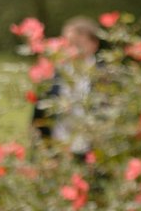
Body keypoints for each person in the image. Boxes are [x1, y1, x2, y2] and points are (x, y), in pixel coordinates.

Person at [32, 16, 102, 150]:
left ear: (94, 44)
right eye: (69, 44)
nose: (72, 49)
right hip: (57, 147)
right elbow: (38, 116)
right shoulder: (52, 72)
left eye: (78, 45)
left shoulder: (105, 75)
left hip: (91, 149)